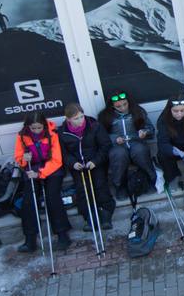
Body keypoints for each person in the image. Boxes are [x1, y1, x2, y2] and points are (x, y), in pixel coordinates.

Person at [14, 110, 72, 253]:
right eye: (33, 128)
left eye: (39, 127)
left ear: (44, 125)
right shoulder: (22, 136)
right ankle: (30, 238)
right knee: (28, 200)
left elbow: (57, 160)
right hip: (31, 169)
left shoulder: (53, 134)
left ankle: (62, 234)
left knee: (52, 196)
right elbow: (19, 157)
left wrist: (40, 173)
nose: (36, 131)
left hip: (51, 169)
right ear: (28, 126)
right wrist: (24, 160)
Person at [57, 102, 115, 230]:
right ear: (68, 119)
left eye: (81, 116)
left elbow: (105, 145)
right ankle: (89, 216)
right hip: (78, 166)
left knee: (100, 185)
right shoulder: (62, 132)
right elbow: (63, 153)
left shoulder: (94, 126)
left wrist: (95, 161)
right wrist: (73, 163)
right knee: (82, 189)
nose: (80, 120)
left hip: (95, 162)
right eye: (76, 118)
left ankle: (106, 214)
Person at [97, 90, 156, 193]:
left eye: (125, 104)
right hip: (117, 146)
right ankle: (119, 186)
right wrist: (114, 138)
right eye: (119, 106)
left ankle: (151, 180)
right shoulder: (105, 116)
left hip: (135, 141)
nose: (123, 108)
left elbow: (150, 128)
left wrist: (144, 132)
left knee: (140, 151)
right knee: (118, 154)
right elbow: (101, 135)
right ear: (112, 106)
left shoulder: (138, 111)